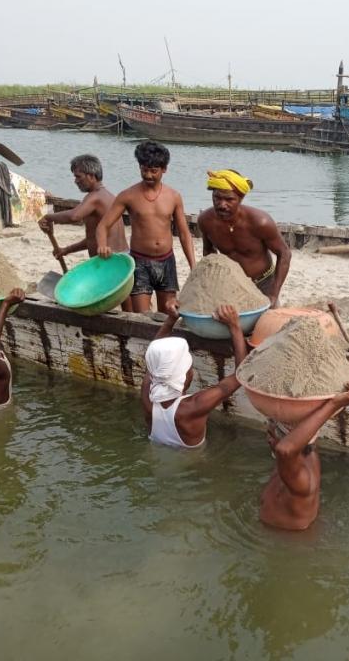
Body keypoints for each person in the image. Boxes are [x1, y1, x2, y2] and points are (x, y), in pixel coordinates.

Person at [260, 358, 349, 531]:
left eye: (272, 434)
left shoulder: (302, 478)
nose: (269, 438)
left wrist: (334, 404)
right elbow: (311, 424)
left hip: (288, 547)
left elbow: (285, 450)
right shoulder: (292, 461)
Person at [96, 141, 195, 314]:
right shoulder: (128, 195)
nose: (148, 175)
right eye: (144, 169)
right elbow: (103, 226)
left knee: (168, 314)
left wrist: (193, 265)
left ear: (164, 169)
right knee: (141, 317)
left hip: (167, 262)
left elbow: (185, 234)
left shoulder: (174, 196)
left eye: (153, 171)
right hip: (140, 262)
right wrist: (102, 245)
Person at [141, 305, 248, 449]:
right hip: (192, 463)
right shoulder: (194, 406)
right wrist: (234, 325)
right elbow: (240, 375)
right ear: (184, 376)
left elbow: (155, 358)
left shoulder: (148, 397)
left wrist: (171, 320)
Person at [38, 155, 131, 311]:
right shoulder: (107, 196)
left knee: (107, 304)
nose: (75, 181)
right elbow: (92, 238)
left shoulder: (95, 197)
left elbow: (75, 216)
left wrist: (49, 217)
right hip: (120, 257)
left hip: (108, 260)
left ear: (91, 176)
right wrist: (66, 250)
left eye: (78, 176)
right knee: (125, 301)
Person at [197, 169, 291, 307]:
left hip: (263, 282)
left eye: (229, 199)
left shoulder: (260, 222)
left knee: (269, 324)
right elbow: (209, 253)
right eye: (217, 198)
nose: (222, 205)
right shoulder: (206, 220)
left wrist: (274, 294)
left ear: (240, 199)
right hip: (229, 284)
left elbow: (284, 253)